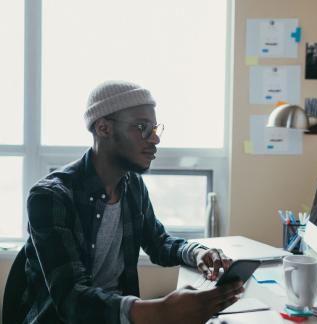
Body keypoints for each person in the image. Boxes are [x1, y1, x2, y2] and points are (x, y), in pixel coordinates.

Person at [21, 80, 243, 324]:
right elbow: (72, 299)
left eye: (155, 128)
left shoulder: (131, 185)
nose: (155, 139)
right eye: (142, 127)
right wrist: (160, 311)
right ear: (103, 128)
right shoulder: (51, 197)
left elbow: (158, 243)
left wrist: (197, 252)